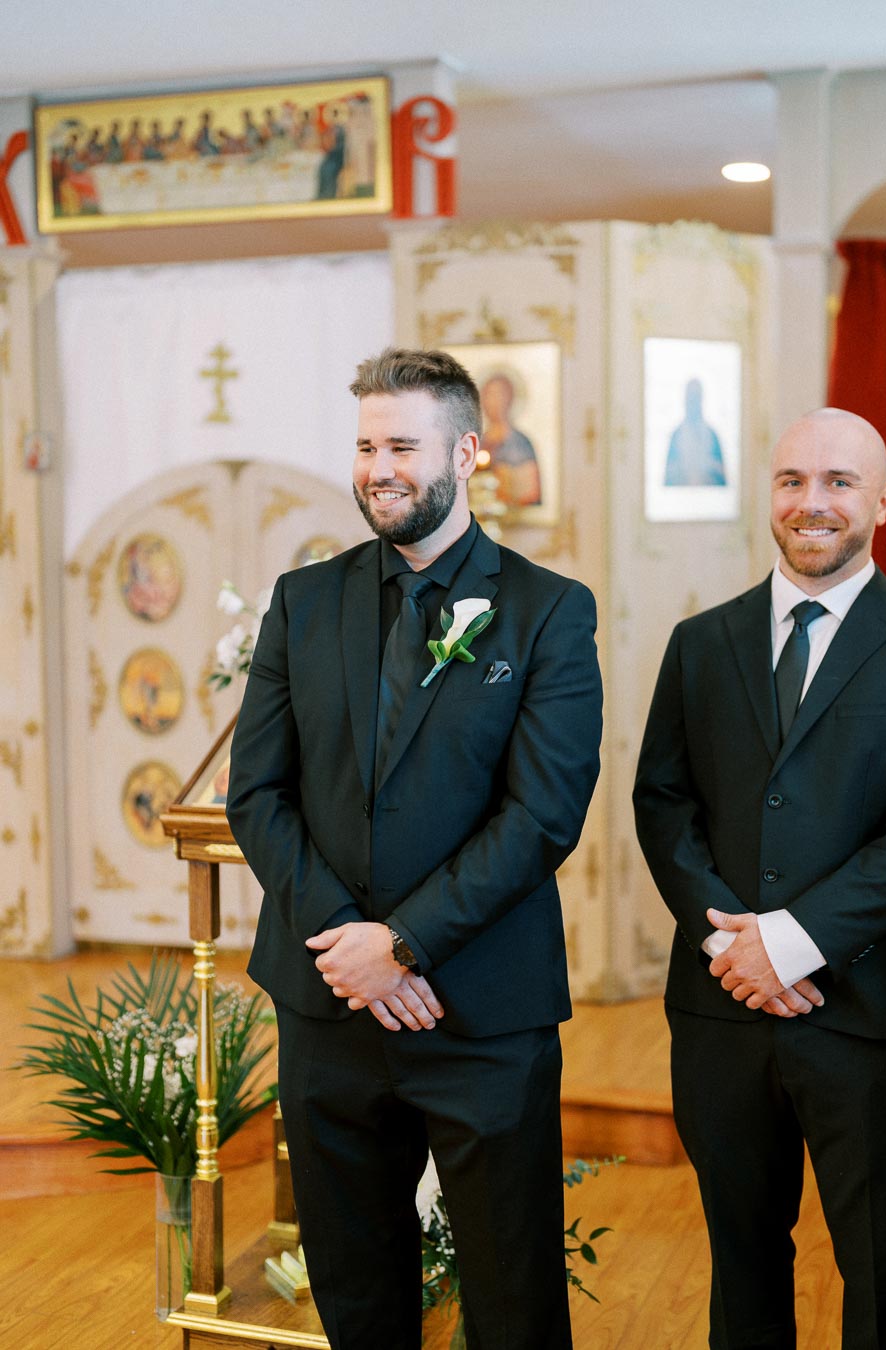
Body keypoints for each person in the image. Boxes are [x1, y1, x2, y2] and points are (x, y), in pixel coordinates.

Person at [226, 346, 602, 1350]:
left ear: (469, 450)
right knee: (355, 1294)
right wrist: (351, 943)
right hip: (328, 1002)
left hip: (479, 1007)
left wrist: (404, 945)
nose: (377, 467)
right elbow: (256, 793)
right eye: (363, 446)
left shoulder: (549, 610)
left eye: (402, 444)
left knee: (513, 1296)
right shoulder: (303, 602)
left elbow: (543, 815)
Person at [633, 407, 886, 1349]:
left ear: (882, 501)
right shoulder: (701, 643)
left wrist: (788, 942)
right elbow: (661, 803)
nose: (811, 502)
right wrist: (731, 944)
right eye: (792, 481)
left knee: (880, 1267)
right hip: (722, 1011)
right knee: (742, 1259)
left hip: (867, 1013)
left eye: (837, 483)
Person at [480, 372, 543, 507]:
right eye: (489, 395)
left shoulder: (521, 443)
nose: (494, 402)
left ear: (510, 399)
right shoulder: (478, 443)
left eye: (499, 395)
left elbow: (530, 491)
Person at [663, 377, 727, 487]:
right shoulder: (676, 436)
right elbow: (668, 479)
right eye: (690, 398)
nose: (693, 402)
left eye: (696, 397)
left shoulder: (712, 436)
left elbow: (722, 479)